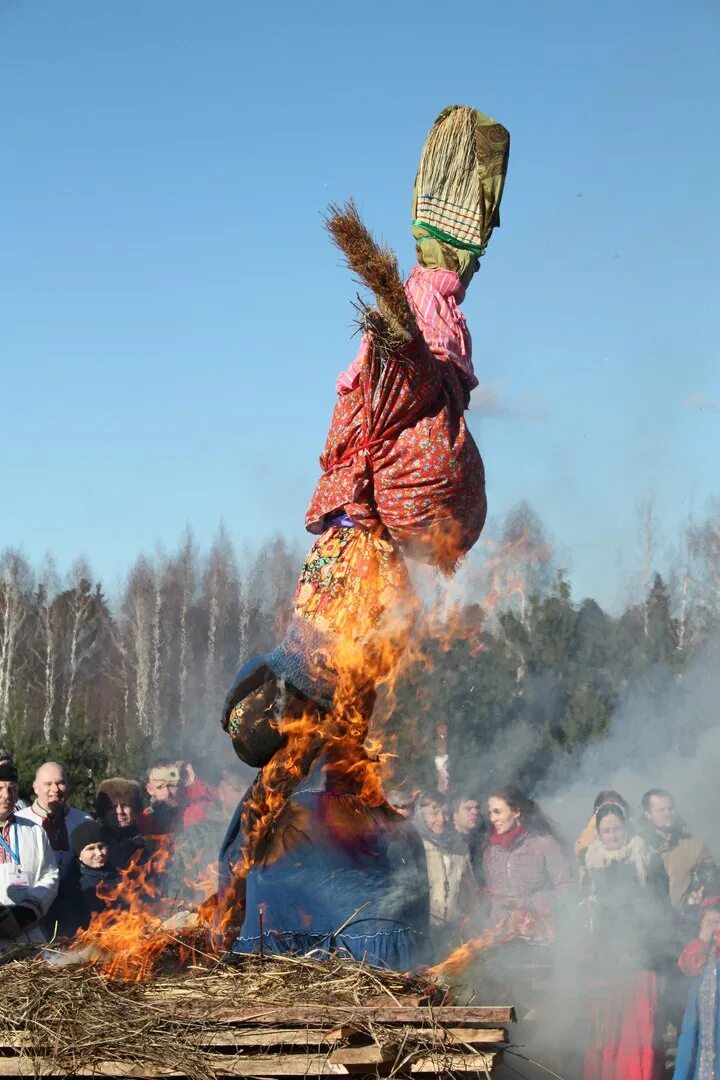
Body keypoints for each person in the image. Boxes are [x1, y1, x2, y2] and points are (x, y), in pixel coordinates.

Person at [582, 803, 672, 1080]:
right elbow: (590, 913)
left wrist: (636, 947)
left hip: (641, 960)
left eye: (617, 828)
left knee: (640, 1030)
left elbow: (660, 910)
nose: (613, 835)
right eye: (606, 830)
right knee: (607, 1030)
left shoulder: (646, 858)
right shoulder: (593, 862)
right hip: (607, 962)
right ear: (598, 833)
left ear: (627, 827)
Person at [483, 785, 574, 942]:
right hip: (502, 941)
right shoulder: (490, 852)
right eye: (490, 812)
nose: (492, 818)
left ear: (516, 812)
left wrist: (535, 902)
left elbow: (567, 889)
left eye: (497, 812)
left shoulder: (544, 843)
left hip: (540, 937)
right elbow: (493, 900)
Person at [0, 761, 59, 951]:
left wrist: (24, 914)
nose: (6, 796)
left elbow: (49, 875)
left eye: (12, 789)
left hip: (28, 938)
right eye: (0, 788)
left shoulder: (34, 830)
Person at [415, 791, 476, 956]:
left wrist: (468, 920)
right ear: (421, 816)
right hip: (423, 932)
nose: (441, 819)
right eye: (434, 813)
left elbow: (470, 888)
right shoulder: (416, 847)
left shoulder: (460, 847)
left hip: (454, 930)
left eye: (445, 813)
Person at [640, 789, 715, 911]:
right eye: (661, 810)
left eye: (671, 809)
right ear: (648, 815)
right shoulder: (638, 847)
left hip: (687, 921)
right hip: (648, 922)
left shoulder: (694, 845)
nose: (668, 813)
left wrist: (701, 895)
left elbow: (711, 882)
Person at [16, 762, 90, 877]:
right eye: (48, 784)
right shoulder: (19, 822)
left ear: (68, 786)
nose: (55, 789)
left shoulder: (83, 821)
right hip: (33, 893)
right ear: (35, 788)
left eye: (60, 783)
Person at [674, 896, 720, 1079]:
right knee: (692, 1046)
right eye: (709, 922)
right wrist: (704, 938)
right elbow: (688, 966)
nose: (715, 926)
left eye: (718, 921)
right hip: (699, 1009)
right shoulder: (700, 946)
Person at [56, 821, 121, 936]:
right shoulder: (72, 887)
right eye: (90, 848)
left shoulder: (123, 875)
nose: (99, 853)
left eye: (101, 846)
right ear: (79, 855)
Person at [95, 778, 148, 871]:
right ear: (104, 811)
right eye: (113, 807)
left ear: (135, 808)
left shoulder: (147, 835)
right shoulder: (96, 839)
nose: (120, 811)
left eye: (125, 805)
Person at [575, 790, 631, 874]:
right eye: (606, 808)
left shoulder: (638, 845)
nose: (611, 811)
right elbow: (581, 849)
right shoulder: (591, 855)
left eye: (616, 807)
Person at [451, 790, 486, 884]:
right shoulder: (448, 845)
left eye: (477, 808)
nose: (475, 812)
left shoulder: (484, 840)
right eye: (468, 808)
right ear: (455, 814)